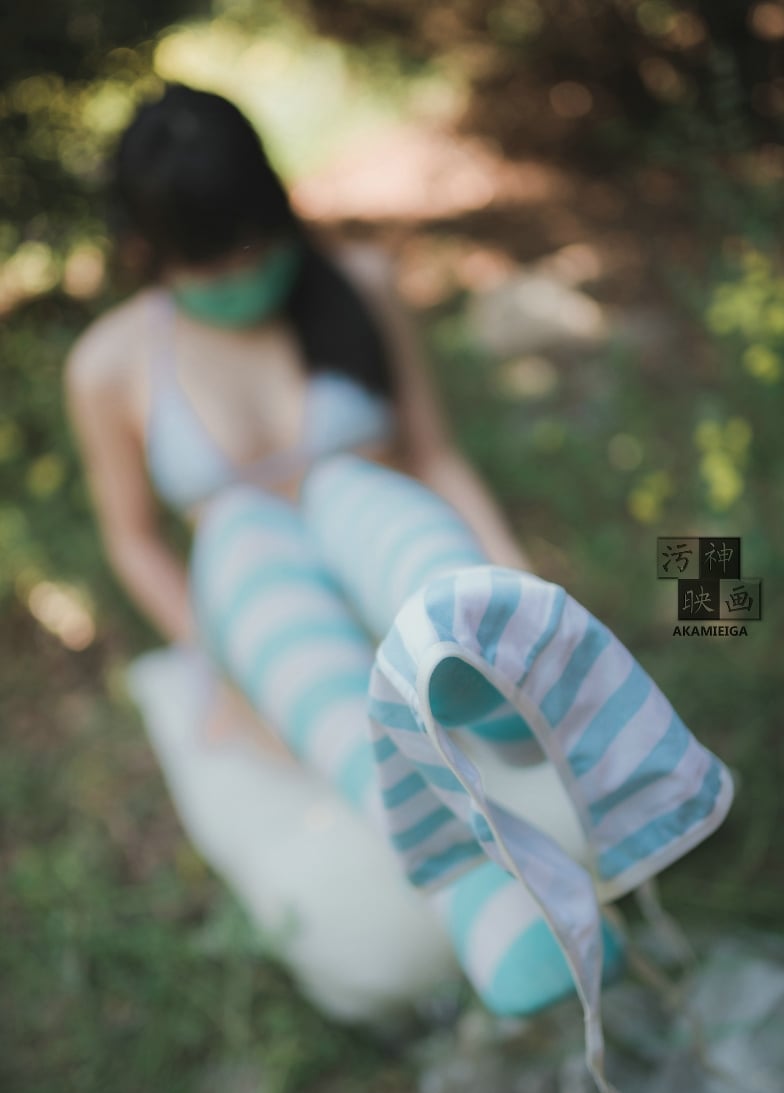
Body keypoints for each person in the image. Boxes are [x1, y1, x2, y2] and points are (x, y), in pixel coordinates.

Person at [64, 82, 628, 1025]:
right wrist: (216, 656)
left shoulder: (357, 284)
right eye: (212, 260)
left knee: (349, 489)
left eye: (254, 245)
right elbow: (134, 541)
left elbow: (433, 455)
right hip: (270, 623)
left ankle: (476, 672)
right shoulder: (110, 365)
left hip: (386, 566)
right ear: (147, 252)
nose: (242, 272)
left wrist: (510, 570)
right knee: (242, 529)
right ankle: (473, 883)